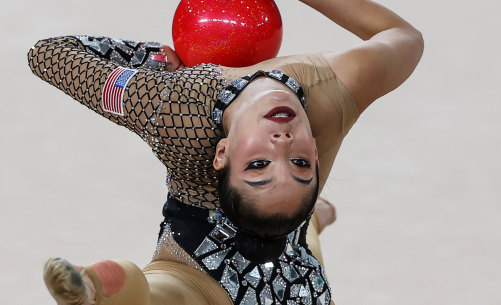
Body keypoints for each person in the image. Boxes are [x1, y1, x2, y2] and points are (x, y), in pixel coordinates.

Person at [28, 0, 423, 304]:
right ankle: (312, 220)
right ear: (316, 155)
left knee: (160, 291)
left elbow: (47, 53)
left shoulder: (175, 107)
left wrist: (148, 62)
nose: (283, 144)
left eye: (259, 165)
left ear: (221, 155)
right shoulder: (335, 91)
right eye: (300, 163)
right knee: (164, 293)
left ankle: (98, 291)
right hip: (296, 284)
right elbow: (403, 36)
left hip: (195, 265)